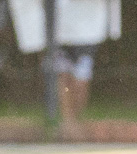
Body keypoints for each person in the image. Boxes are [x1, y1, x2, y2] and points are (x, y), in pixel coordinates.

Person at [8, 0, 123, 134]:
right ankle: (69, 121)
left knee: (79, 75)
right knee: (65, 74)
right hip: (64, 28)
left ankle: (73, 121)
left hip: (85, 27)